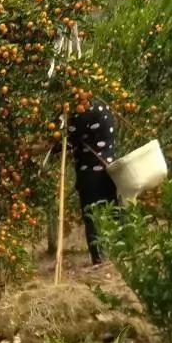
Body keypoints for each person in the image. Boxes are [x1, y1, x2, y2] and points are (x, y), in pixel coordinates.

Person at [67, 101, 118, 264]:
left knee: (92, 215)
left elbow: (67, 137)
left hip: (91, 173)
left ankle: (100, 258)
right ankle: (115, 253)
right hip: (109, 170)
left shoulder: (86, 111)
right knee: (110, 211)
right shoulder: (102, 106)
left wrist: (39, 146)